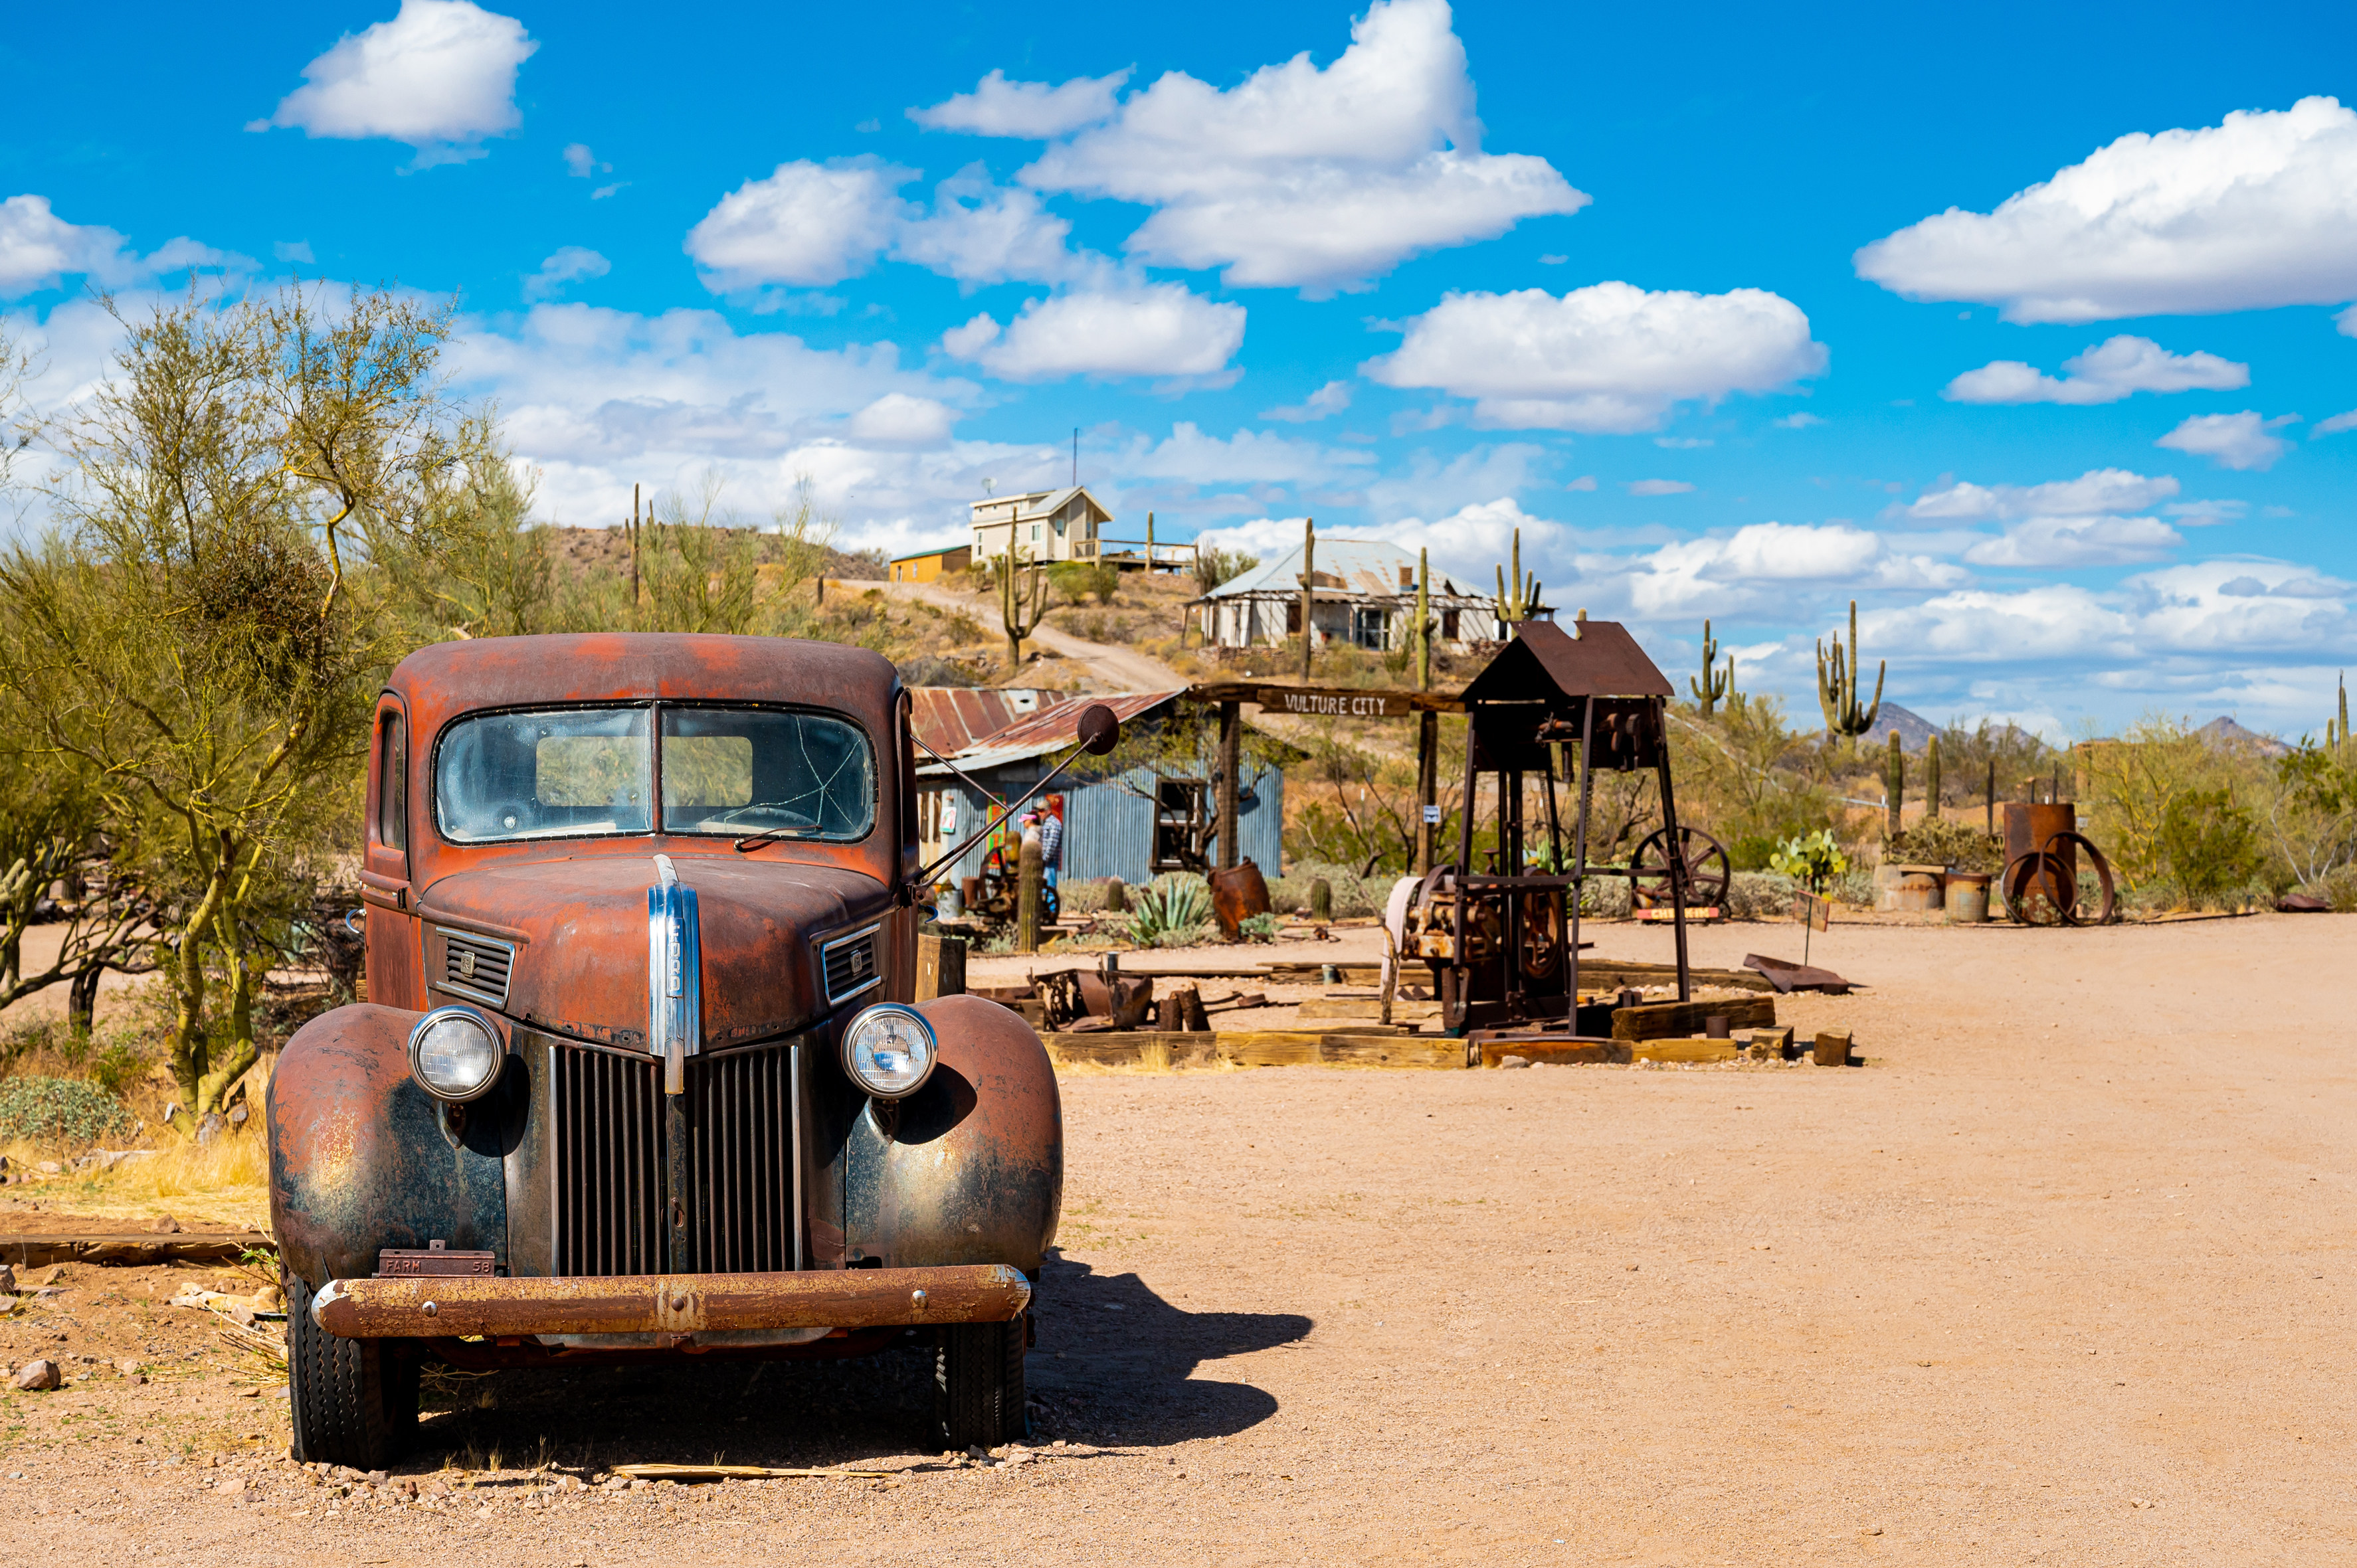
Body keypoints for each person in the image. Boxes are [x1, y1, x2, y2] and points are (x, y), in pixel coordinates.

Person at [1036, 802, 1063, 892]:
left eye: (1041, 811)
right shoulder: (1047, 823)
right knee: (1045, 889)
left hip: (1050, 863)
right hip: (1046, 863)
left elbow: (1052, 845)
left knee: (1049, 890)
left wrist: (1044, 860)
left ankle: (1052, 907)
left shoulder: (1054, 824)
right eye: (1038, 811)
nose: (1039, 813)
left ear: (1049, 811)